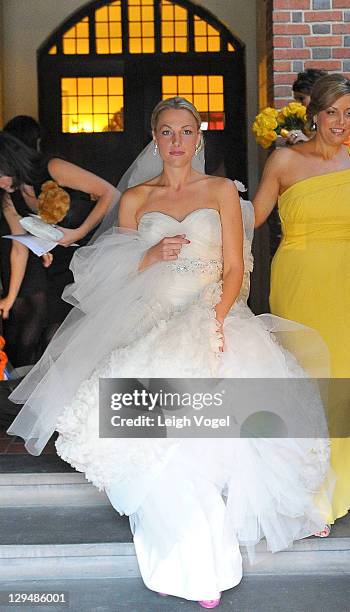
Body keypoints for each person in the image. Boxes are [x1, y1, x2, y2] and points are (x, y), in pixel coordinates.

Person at [8, 98, 331, 608]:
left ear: (198, 138)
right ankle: (180, 558)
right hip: (147, 322)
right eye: (166, 132)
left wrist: (218, 319)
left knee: (199, 441)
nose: (176, 141)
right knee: (149, 447)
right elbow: (105, 277)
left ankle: (202, 562)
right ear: (154, 139)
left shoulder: (222, 191)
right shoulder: (135, 198)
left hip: (211, 314)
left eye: (185, 131)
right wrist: (148, 256)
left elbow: (235, 269)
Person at [254, 73, 350, 528]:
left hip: (346, 280)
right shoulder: (285, 160)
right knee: (312, 380)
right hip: (300, 278)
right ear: (314, 114)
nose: (340, 122)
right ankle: (313, 496)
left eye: (349, 114)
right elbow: (253, 217)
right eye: (332, 112)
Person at [0, 132, 118, 365]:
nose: (0, 183)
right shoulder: (9, 197)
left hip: (95, 251)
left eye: (0, 174)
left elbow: (111, 193)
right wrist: (9, 299)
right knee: (52, 331)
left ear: (11, 161)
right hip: (62, 262)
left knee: (82, 329)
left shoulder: (52, 168)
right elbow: (19, 246)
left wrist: (80, 231)